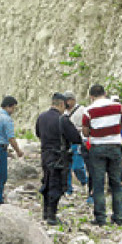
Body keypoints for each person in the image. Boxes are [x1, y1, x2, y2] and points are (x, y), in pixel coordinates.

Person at [82, 84, 122, 226]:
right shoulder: (118, 107)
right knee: (116, 183)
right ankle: (119, 216)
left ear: (91, 97)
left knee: (98, 183)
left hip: (97, 148)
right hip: (115, 146)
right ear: (105, 93)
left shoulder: (88, 110)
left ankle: (101, 218)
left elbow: (85, 132)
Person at [36, 93, 81, 225]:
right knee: (57, 185)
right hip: (59, 157)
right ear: (61, 104)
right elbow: (76, 138)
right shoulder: (63, 119)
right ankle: (52, 216)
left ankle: (45, 212)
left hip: (45, 155)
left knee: (47, 182)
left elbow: (38, 133)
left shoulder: (41, 117)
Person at [0, 96, 25, 204]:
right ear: (9, 106)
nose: (13, 111)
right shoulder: (6, 118)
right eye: (13, 108)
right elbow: (11, 137)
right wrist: (18, 151)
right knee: (0, 174)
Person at [61, 91, 88, 197]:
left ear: (73, 100)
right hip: (66, 143)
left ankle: (85, 182)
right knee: (66, 167)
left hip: (79, 141)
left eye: (67, 100)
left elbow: (87, 125)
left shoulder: (82, 110)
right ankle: (68, 189)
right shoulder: (63, 113)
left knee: (78, 166)